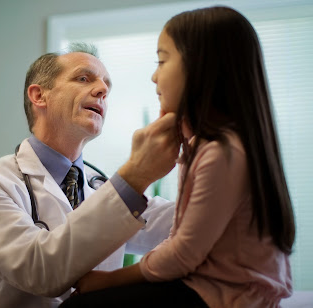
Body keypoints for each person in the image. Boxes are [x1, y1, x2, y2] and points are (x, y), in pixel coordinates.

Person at [60, 6, 295, 308]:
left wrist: (106, 280)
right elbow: (178, 239)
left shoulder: (221, 152)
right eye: (82, 79)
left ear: (202, 68)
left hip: (225, 295)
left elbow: (183, 253)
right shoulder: (204, 148)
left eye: (162, 61)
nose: (154, 76)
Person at [0, 43, 179, 308]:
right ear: (39, 96)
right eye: (83, 78)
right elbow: (40, 271)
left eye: (107, 86)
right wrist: (135, 176)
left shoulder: (101, 189)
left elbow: (190, 223)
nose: (103, 90)